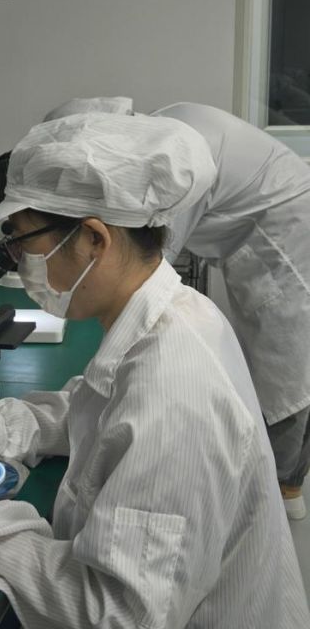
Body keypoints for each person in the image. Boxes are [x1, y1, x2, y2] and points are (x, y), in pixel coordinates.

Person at [0, 113, 310, 629]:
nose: (18, 259)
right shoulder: (171, 314)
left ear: (93, 237)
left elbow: (127, 618)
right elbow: (101, 405)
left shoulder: (173, 389)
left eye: (22, 240)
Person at [44, 98, 310, 521]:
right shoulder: (163, 132)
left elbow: (144, 274)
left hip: (290, 242)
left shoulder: (176, 152)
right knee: (272, 365)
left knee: (287, 369)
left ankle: (280, 489)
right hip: (258, 237)